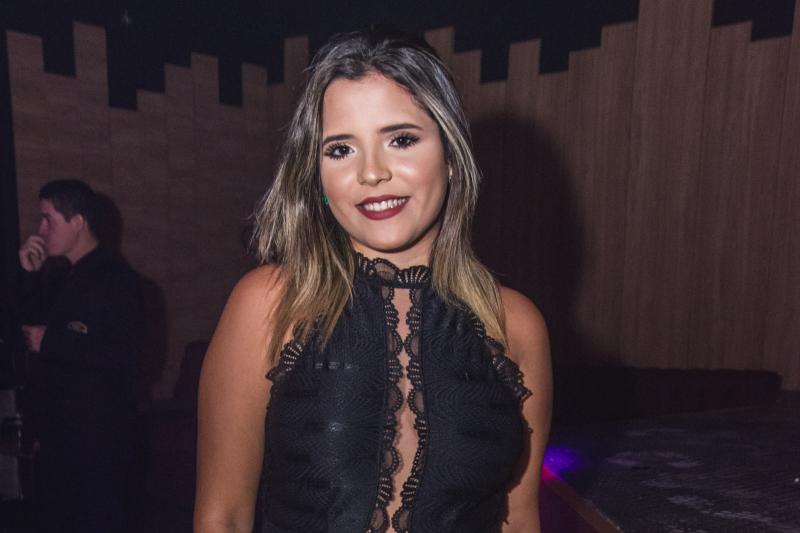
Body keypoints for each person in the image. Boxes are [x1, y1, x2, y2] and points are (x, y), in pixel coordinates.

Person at [195, 29, 552, 533]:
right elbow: (223, 517)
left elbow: (520, 518)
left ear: (450, 156)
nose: (371, 173)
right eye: (341, 149)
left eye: (401, 140)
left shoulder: (516, 324)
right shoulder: (268, 303)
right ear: (317, 176)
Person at [16, 179, 143, 532]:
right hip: (57, 442)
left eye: (48, 219)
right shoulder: (59, 278)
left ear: (77, 222)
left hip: (97, 446)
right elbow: (25, 333)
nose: (41, 230)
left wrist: (53, 341)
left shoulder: (117, 280)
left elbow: (123, 358)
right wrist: (28, 275)